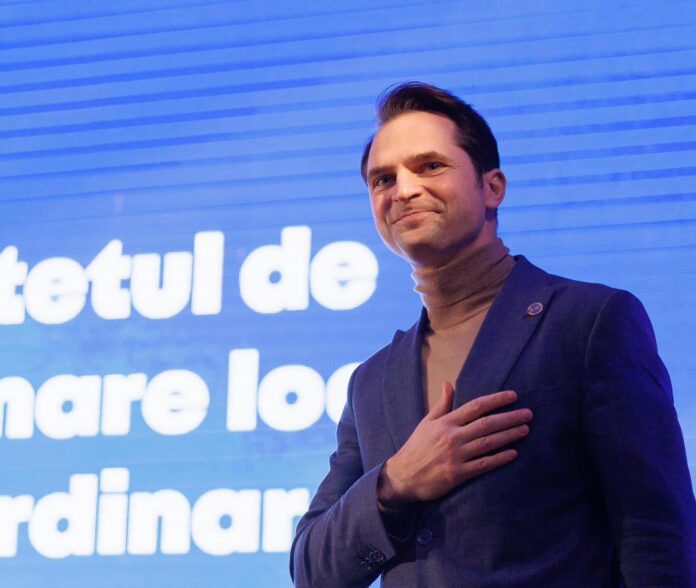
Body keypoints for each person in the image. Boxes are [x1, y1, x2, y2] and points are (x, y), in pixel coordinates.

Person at [289, 82, 696, 587]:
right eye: (383, 179)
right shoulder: (372, 380)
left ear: (492, 188)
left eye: (429, 166)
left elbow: (656, 535)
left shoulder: (589, 322)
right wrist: (395, 484)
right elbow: (312, 571)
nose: (403, 190)